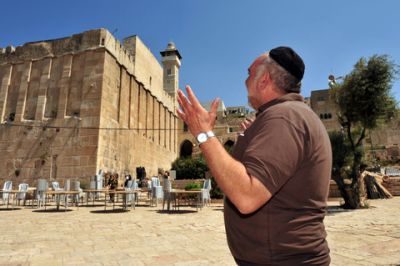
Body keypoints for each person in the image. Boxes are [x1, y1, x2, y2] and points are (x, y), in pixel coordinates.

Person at [177, 46, 332, 265]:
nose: (245, 80)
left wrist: (204, 135)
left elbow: (247, 196)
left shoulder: (284, 119)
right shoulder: (283, 116)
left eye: (249, 73)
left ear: (264, 80)